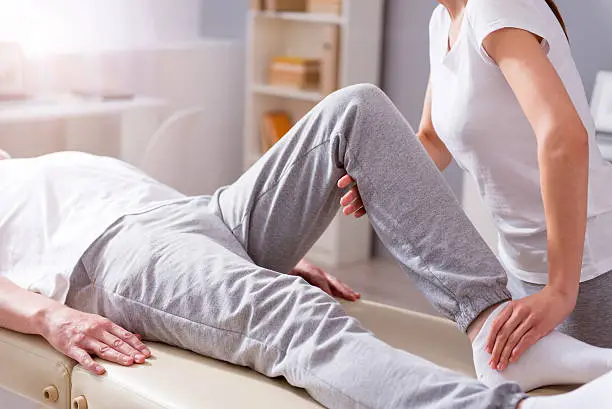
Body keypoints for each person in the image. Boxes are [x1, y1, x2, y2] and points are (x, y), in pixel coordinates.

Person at [1, 84, 612, 409]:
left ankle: (490, 328)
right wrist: (49, 315)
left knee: (356, 110)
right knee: (295, 316)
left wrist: (245, 253)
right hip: (117, 255)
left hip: (203, 213)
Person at [342, 0, 612, 374]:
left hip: (587, 267)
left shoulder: (493, 6)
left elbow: (564, 135)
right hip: (522, 264)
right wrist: (381, 179)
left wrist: (561, 291)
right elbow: (433, 139)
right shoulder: (443, 22)